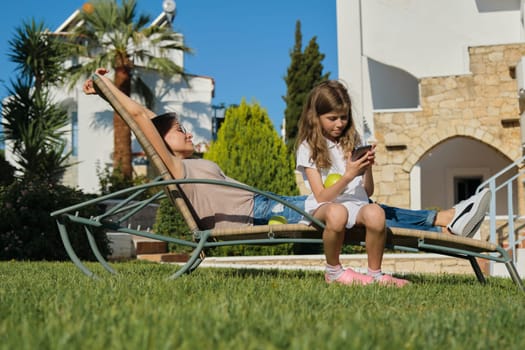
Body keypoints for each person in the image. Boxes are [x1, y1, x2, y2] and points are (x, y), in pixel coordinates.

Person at [83, 70, 489, 286]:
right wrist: (105, 86)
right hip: (264, 212)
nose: (187, 133)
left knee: (363, 207)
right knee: (355, 208)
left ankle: (444, 218)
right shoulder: (175, 167)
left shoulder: (192, 164)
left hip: (265, 204)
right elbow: (140, 119)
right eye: (178, 131)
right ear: (162, 142)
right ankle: (443, 218)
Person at [295, 80, 490, 287]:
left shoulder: (352, 140)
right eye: (332, 118)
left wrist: (366, 168)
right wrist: (349, 175)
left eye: (343, 117)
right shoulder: (308, 147)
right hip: (324, 207)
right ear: (315, 117)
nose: (339, 123)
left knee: (377, 213)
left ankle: (375, 274)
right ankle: (333, 271)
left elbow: (368, 191)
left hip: (356, 204)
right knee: (337, 213)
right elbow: (322, 196)